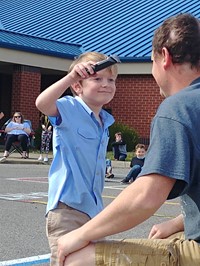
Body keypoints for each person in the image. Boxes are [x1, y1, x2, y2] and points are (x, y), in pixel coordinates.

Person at [56, 13, 200, 266]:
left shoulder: (179, 108)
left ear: (164, 57)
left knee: (77, 258)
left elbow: (146, 196)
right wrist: (179, 222)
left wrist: (78, 235)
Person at [35, 51, 118, 265]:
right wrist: (71, 76)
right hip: (67, 209)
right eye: (97, 78)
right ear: (78, 87)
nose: (106, 84)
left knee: (96, 261)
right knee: (68, 261)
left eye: (111, 80)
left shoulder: (104, 122)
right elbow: (42, 104)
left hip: (94, 210)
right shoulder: (69, 107)